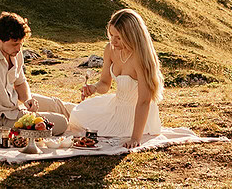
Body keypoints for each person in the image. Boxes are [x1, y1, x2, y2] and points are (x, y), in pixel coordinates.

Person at [69, 8, 163, 148]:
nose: (113, 41)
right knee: (78, 115)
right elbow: (104, 84)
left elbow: (144, 101)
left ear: (132, 36)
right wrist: (94, 88)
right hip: (115, 106)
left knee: (89, 124)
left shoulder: (141, 58)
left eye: (118, 38)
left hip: (137, 114)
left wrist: (135, 138)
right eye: (111, 35)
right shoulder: (110, 50)